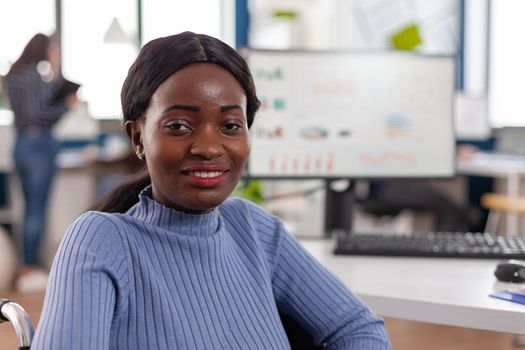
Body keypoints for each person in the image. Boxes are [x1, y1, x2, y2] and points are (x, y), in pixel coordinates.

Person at [32, 32, 391, 349]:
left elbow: (360, 329)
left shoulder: (254, 229)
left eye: (231, 125)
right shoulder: (102, 241)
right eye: (178, 125)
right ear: (138, 136)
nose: (208, 146)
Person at [6, 33, 79, 293]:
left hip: (22, 145)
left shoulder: (14, 75)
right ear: (42, 49)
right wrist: (67, 106)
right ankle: (31, 267)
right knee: (38, 209)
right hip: (39, 146)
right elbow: (41, 113)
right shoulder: (34, 75)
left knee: (30, 209)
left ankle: (28, 268)